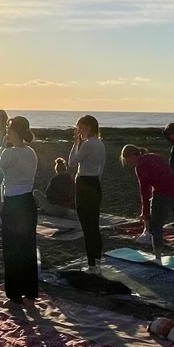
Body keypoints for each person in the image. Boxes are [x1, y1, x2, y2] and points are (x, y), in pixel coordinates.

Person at [0, 116, 40, 304]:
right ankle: (30, 293)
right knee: (28, 248)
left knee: (12, 250)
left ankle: (14, 294)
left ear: (14, 132)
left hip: (13, 203)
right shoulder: (31, 152)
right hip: (28, 202)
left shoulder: (9, 153)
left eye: (8, 130)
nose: (6, 133)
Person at [120, 145, 174, 264]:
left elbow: (144, 191)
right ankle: (154, 237)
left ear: (133, 156)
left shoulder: (140, 166)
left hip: (165, 194)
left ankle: (158, 257)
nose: (128, 163)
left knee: (156, 226)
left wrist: (145, 212)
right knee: (159, 218)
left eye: (128, 159)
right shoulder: (154, 156)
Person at [69, 115, 106, 269]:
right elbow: (101, 169)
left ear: (88, 127)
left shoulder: (89, 143)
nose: (79, 131)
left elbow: (71, 162)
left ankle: (92, 262)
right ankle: (96, 260)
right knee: (93, 225)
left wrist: (76, 143)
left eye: (81, 127)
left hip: (84, 183)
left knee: (87, 226)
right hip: (95, 183)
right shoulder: (100, 144)